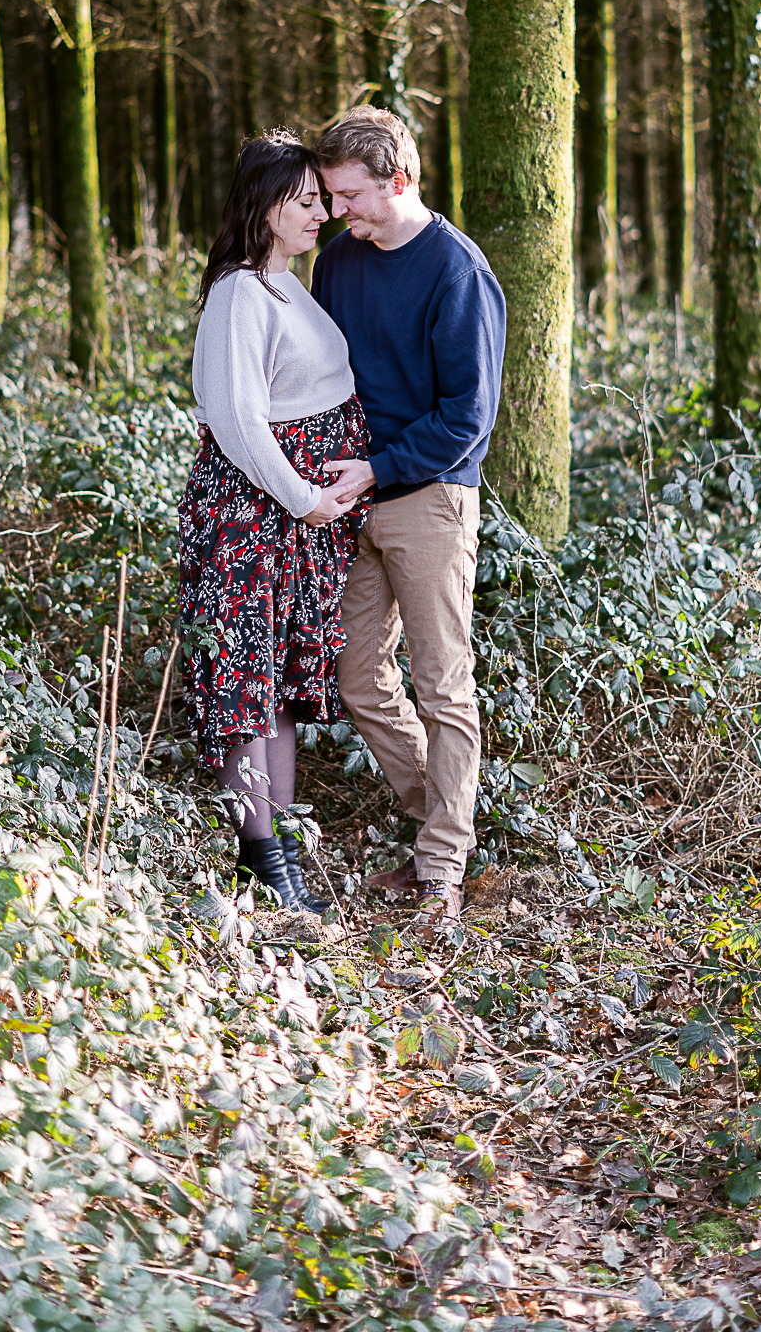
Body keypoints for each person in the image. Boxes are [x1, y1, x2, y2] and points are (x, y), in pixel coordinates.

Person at [313, 107, 506, 929]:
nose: (337, 211)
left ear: (399, 180)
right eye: (328, 196)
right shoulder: (337, 262)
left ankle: (440, 868)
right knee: (358, 676)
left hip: (428, 500)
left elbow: (469, 415)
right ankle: (445, 819)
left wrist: (379, 469)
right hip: (351, 499)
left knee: (442, 684)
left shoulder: (457, 270)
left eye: (351, 195)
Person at [178, 130, 371, 910]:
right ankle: (260, 856)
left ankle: (282, 845)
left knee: (280, 688)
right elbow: (236, 418)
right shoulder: (238, 294)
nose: (319, 212)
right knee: (248, 688)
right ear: (263, 209)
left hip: (294, 523)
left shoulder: (289, 283)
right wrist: (304, 498)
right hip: (251, 519)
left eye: (321, 200)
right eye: (303, 202)